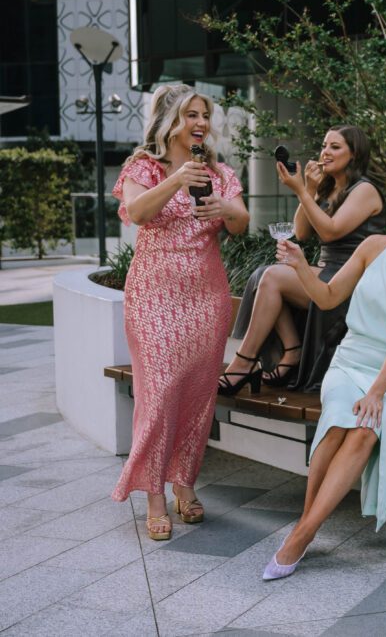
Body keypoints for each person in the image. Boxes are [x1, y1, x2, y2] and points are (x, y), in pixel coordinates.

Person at [262, 170, 386, 580]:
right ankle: (306, 524)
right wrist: (301, 265)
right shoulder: (373, 247)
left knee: (365, 429)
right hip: (350, 361)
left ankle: (301, 534)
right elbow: (328, 296)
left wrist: (377, 392)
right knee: (338, 423)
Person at [110, 84, 250, 540]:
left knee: (195, 394)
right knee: (160, 391)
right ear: (171, 119)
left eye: (205, 116)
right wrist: (177, 179)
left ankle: (184, 485)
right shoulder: (142, 167)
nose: (202, 123)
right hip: (154, 294)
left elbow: (241, 224)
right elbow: (137, 211)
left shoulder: (221, 172)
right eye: (192, 114)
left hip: (206, 296)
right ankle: (153, 495)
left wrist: (225, 206)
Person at [221, 125, 386, 395]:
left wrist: (300, 192)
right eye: (324, 146)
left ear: (354, 154)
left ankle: (245, 361)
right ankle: (291, 350)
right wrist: (309, 189)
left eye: (335, 147)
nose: (325, 152)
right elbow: (303, 232)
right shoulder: (329, 188)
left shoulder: (364, 190)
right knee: (265, 273)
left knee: (273, 276)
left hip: (350, 280)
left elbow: (331, 229)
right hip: (325, 271)